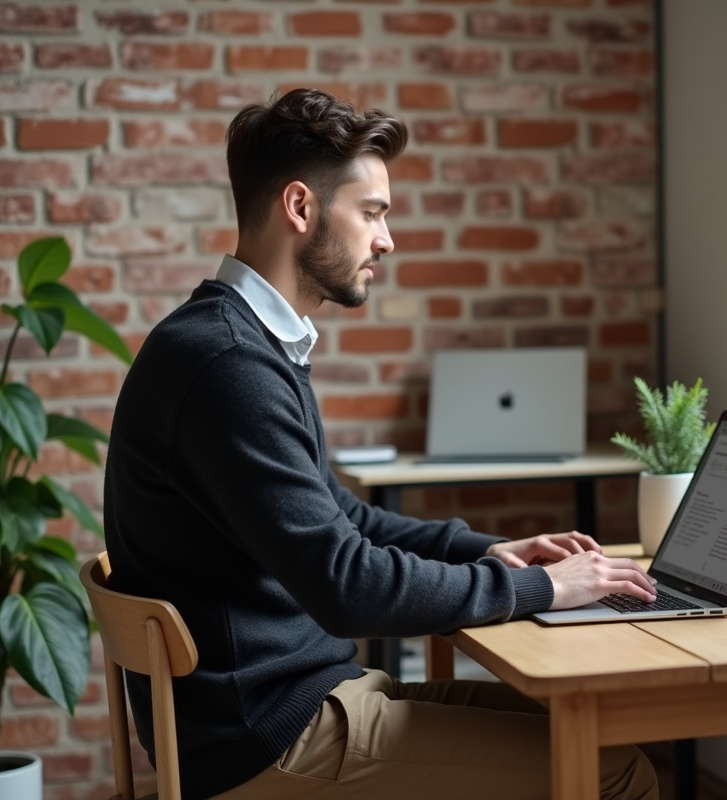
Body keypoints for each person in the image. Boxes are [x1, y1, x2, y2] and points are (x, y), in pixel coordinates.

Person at [103, 88, 661, 800]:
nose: (386, 239)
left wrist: (487, 551)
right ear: (301, 209)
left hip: (297, 704)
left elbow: (344, 518)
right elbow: (346, 587)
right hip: (272, 736)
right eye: (371, 213)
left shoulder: (242, 344)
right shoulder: (228, 364)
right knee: (615, 773)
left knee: (595, 729)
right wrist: (543, 588)